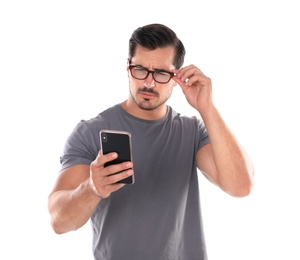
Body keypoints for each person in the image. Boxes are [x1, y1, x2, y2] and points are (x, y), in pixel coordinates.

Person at [48, 23, 254, 260]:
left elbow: (241, 186)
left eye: (161, 73)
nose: (148, 83)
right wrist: (91, 189)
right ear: (127, 67)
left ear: (177, 77)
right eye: (140, 69)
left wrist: (207, 108)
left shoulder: (193, 131)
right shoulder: (90, 132)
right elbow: (58, 221)